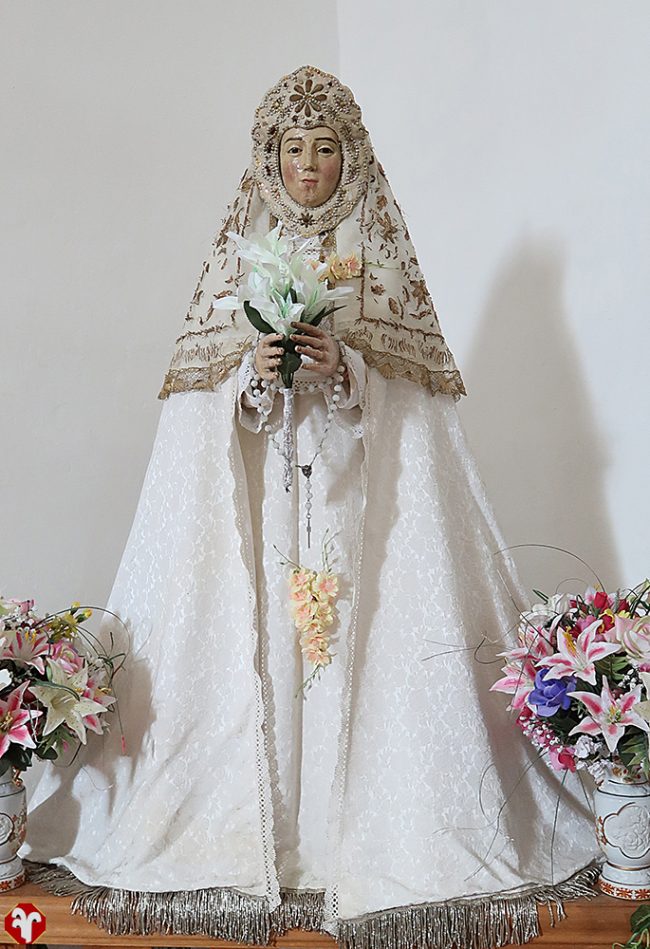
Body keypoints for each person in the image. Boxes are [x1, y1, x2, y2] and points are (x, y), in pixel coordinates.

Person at [25, 66, 598, 949]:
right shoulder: (241, 255)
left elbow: (415, 409)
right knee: (269, 647)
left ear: (350, 159)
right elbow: (202, 408)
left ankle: (343, 843)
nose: (307, 166)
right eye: (293, 149)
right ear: (270, 159)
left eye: (324, 149)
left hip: (358, 513)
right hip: (265, 513)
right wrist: (252, 381)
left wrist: (349, 370)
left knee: (347, 647)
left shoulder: (378, 261)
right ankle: (271, 838)